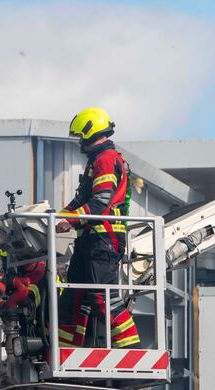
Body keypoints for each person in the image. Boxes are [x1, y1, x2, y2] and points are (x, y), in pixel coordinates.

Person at [54, 107, 140, 349]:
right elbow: (81, 201)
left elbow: (100, 203)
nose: (80, 142)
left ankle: (130, 351)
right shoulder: (97, 162)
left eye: (81, 137)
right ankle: (66, 351)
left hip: (105, 240)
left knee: (104, 299)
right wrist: (54, 218)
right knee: (73, 298)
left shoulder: (105, 160)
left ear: (90, 133)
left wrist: (69, 220)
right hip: (89, 241)